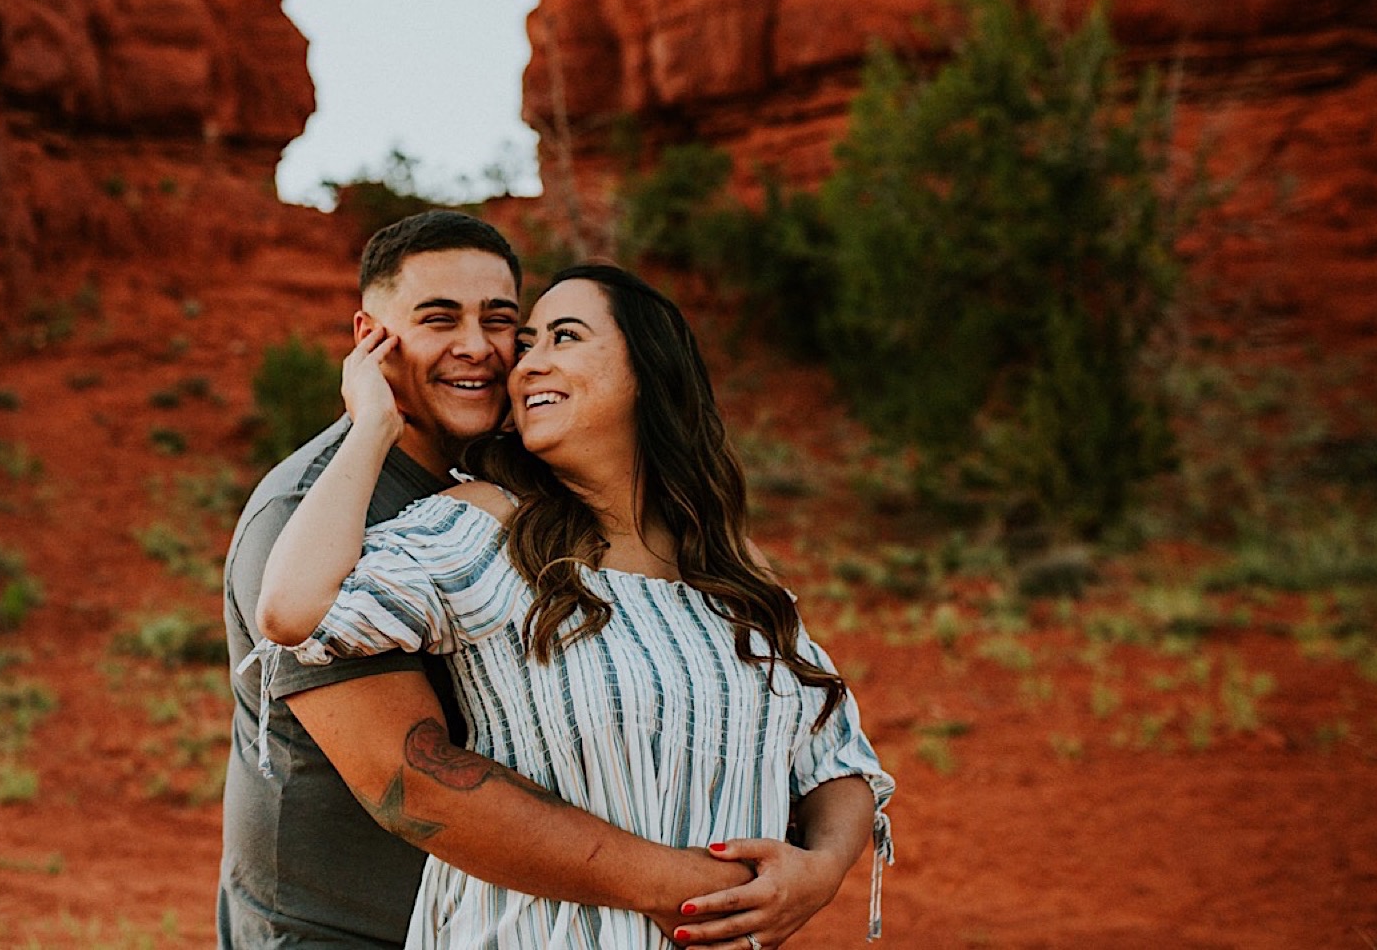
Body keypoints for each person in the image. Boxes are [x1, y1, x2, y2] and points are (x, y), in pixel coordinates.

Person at [220, 212, 881, 949]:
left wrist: (817, 872)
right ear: (371, 340)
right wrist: (701, 893)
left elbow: (833, 751)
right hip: (336, 932)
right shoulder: (354, 516)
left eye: (507, 323)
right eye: (440, 319)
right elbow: (407, 777)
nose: (487, 350)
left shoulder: (713, 566)